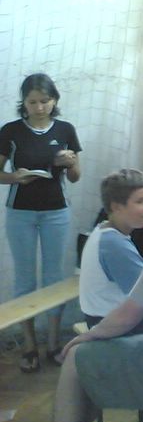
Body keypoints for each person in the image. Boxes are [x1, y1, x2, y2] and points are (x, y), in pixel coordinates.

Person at [45, 226, 143, 422]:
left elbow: (133, 310)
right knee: (89, 368)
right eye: (140, 205)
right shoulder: (113, 242)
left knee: (75, 359)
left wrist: (89, 335)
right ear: (117, 209)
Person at [0, 73, 81, 372]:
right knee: (25, 279)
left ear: (54, 100)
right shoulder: (10, 131)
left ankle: (53, 344)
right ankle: (29, 345)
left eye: (44, 101)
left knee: (54, 278)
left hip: (56, 211)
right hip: (20, 212)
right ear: (23, 102)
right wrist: (14, 177)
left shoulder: (65, 129)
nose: (39, 107)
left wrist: (70, 163)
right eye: (32, 102)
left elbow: (76, 177)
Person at [79, 169, 143, 333]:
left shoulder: (102, 230)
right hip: (116, 327)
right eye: (140, 201)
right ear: (117, 207)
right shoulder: (114, 244)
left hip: (103, 319)